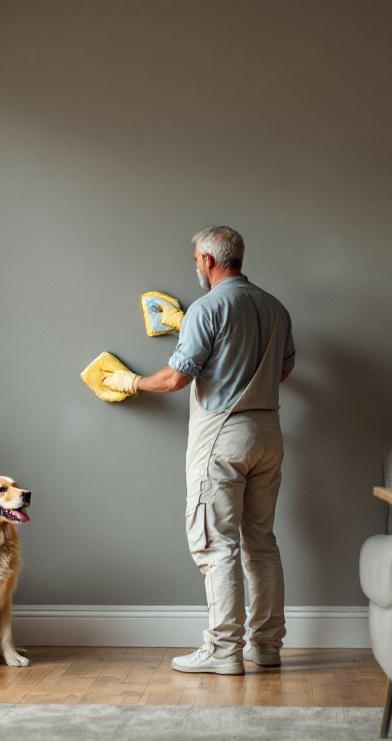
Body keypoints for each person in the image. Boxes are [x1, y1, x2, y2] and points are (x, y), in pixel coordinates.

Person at [103, 225, 295, 675]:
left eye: (195, 260)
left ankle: (224, 650)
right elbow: (283, 371)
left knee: (215, 545)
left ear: (208, 260)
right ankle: (266, 647)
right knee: (261, 543)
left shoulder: (207, 309)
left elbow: (175, 378)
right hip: (268, 432)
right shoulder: (275, 308)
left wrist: (130, 382)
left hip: (222, 437)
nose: (195, 266)